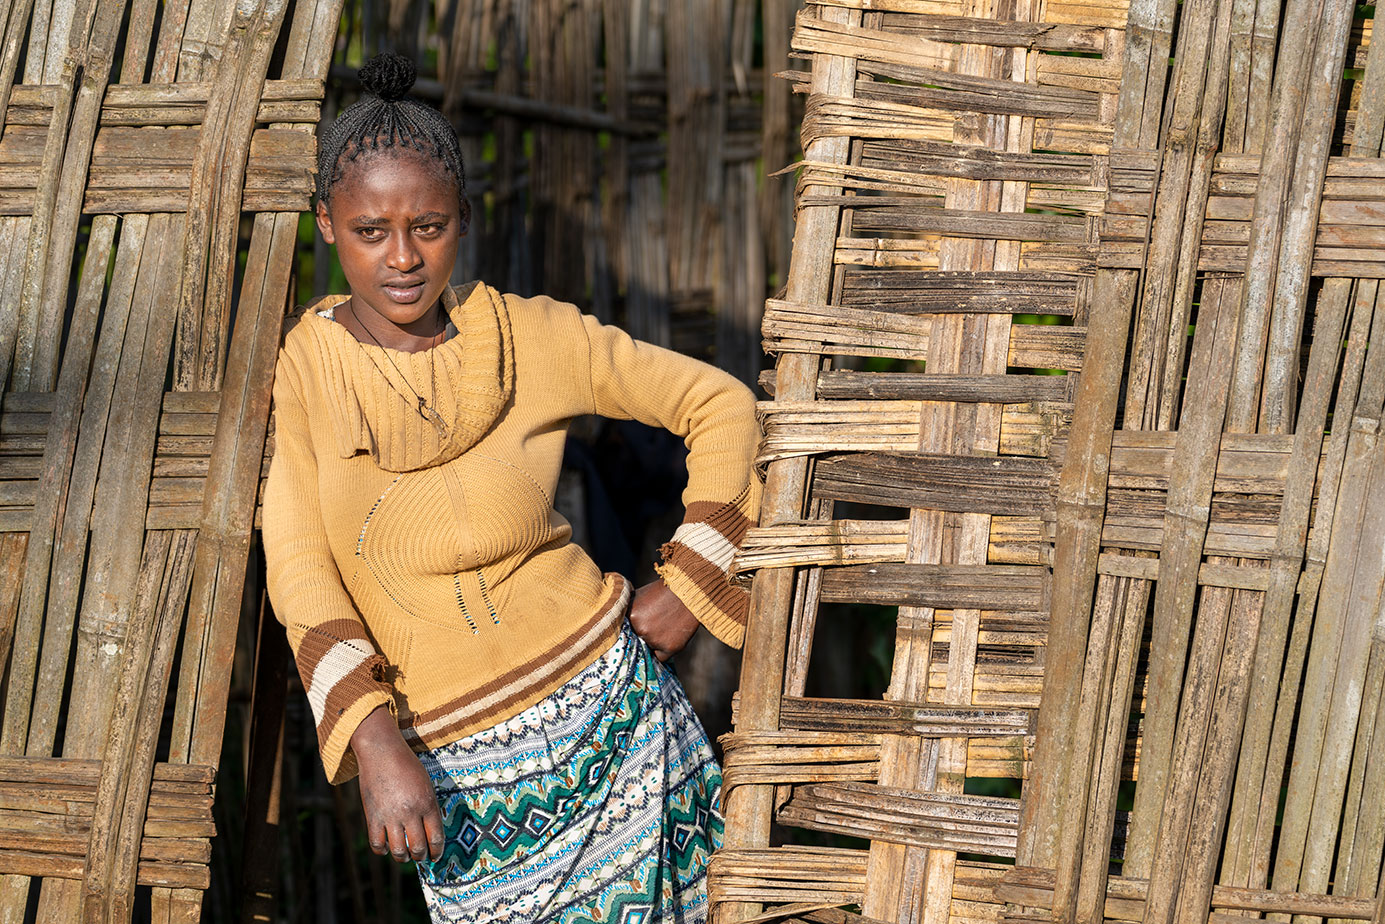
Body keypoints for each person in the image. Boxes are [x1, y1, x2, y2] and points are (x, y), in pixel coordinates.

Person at [261, 52, 761, 924]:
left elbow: (721, 403)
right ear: (327, 227)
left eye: (429, 224)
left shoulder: (528, 335)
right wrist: (374, 739)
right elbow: (300, 566)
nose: (403, 257)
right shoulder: (306, 373)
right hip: (456, 776)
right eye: (371, 230)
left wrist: (691, 582)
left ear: (463, 219)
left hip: (624, 730)